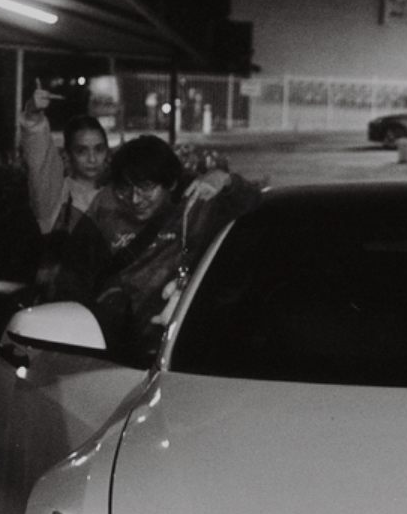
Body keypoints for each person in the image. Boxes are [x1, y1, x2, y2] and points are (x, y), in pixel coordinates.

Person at [50, 134, 261, 360]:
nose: (135, 199)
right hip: (121, 350)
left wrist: (225, 180)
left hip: (187, 346)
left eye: (146, 187)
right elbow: (72, 277)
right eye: (125, 188)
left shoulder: (198, 201)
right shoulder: (105, 208)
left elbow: (253, 205)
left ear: (171, 183)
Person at [19, 82, 111, 236]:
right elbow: (39, 157)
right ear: (67, 155)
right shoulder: (55, 195)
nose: (92, 159)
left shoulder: (122, 197)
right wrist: (33, 115)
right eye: (81, 151)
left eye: (99, 149)